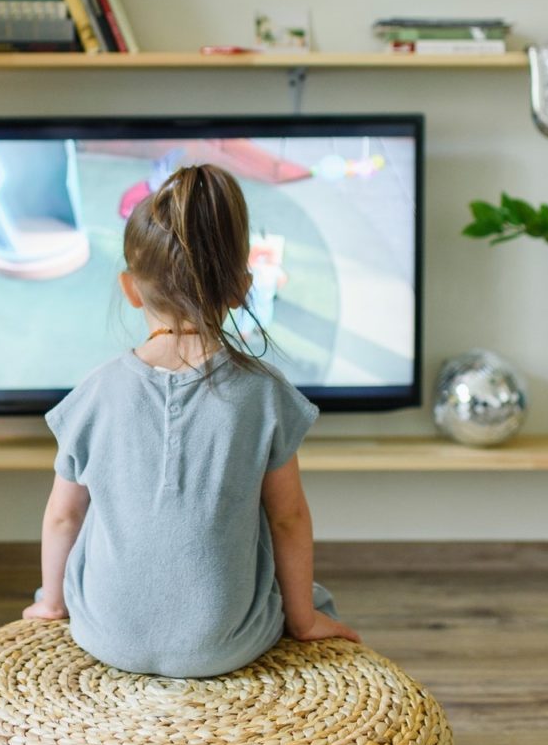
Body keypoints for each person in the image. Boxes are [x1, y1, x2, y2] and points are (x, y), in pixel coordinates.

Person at [22, 163, 359, 678]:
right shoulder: (264, 394)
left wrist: (51, 606)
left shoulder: (92, 393)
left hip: (105, 634)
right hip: (225, 645)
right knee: (303, 585)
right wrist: (305, 620)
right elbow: (288, 519)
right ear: (242, 288)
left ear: (131, 289)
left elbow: (63, 517)